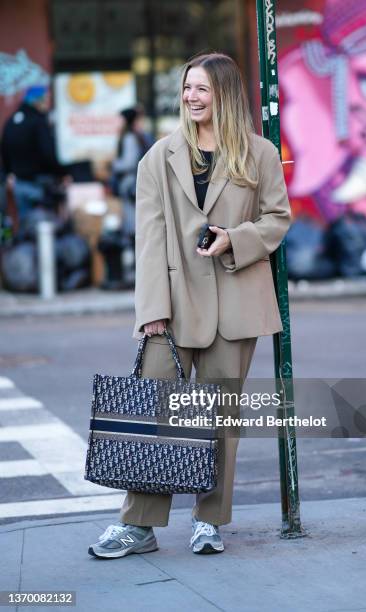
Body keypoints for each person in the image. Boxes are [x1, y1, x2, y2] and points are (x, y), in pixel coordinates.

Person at [88, 52, 291, 558]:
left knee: (221, 420)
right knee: (158, 415)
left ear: (223, 93)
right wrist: (151, 309)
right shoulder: (158, 156)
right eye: (186, 89)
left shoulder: (259, 153)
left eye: (201, 89)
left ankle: (209, 520)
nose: (191, 98)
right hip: (173, 308)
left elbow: (277, 219)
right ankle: (138, 525)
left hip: (237, 302)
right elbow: (149, 240)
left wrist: (235, 239)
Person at [0, 85, 64, 228]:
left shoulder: (11, 121)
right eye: (46, 99)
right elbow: (48, 152)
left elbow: (4, 150)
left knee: (25, 227)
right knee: (44, 227)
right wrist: (62, 172)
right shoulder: (38, 121)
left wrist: (9, 172)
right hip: (40, 184)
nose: (47, 103)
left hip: (19, 184)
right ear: (37, 100)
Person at [111, 105, 154, 236]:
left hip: (130, 183)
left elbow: (128, 163)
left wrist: (113, 164)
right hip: (140, 182)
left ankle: (132, 251)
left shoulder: (129, 137)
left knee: (132, 223)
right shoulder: (141, 136)